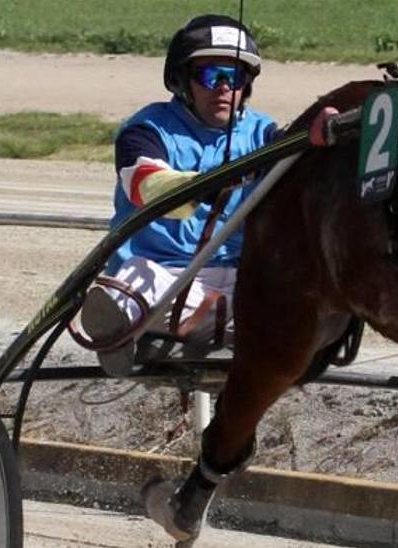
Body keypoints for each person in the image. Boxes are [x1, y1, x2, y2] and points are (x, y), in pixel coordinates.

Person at [81, 14, 277, 374]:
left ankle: (210, 329)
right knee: (135, 280)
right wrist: (207, 183)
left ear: (247, 83)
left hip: (236, 275)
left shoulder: (266, 134)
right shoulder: (146, 130)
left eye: (234, 76)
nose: (223, 87)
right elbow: (146, 185)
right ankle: (117, 324)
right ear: (182, 79)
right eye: (210, 75)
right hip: (159, 273)